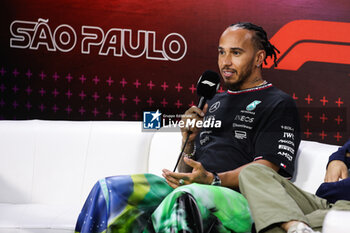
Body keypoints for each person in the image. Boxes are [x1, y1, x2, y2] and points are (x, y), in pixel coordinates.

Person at [75, 22, 301, 233]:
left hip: (241, 201)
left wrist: (213, 179)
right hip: (194, 190)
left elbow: (266, 171)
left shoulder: (278, 103)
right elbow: (190, 170)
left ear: (259, 57)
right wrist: (188, 143)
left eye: (236, 53)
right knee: (110, 189)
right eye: (221, 52)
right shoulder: (214, 102)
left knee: (184, 198)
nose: (226, 62)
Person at [238, 139, 350, 233]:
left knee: (271, 225)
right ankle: (295, 225)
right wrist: (337, 159)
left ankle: (295, 226)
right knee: (254, 172)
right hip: (325, 202)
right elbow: (344, 150)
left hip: (344, 211)